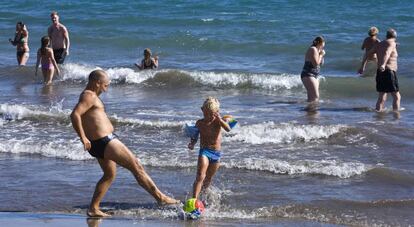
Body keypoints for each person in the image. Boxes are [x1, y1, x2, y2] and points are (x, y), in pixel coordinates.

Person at [70, 70, 178, 217]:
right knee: (137, 167)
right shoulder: (89, 95)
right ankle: (161, 198)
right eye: (105, 85)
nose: (106, 88)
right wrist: (83, 137)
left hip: (99, 143)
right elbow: (75, 114)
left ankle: (93, 208)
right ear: (97, 83)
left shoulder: (90, 95)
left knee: (109, 175)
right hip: (105, 141)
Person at [187, 97, 231, 201]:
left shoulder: (218, 122)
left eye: (211, 114)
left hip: (216, 154)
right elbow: (195, 135)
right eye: (206, 114)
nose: (208, 116)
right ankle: (194, 200)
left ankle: (203, 199)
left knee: (208, 179)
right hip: (205, 152)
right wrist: (192, 143)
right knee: (200, 176)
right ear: (202, 110)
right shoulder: (200, 123)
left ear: (217, 112)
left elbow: (228, 129)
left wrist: (220, 119)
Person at [358, 28, 401, 112]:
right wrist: (383, 64)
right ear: (395, 36)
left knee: (382, 95)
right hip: (389, 71)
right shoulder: (391, 43)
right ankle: (396, 117)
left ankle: (378, 114)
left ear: (386, 36)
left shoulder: (380, 44)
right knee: (396, 96)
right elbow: (387, 53)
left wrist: (362, 66)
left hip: (380, 72)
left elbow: (367, 53)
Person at [301, 36, 326, 102]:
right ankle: (311, 110)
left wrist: (321, 55)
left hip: (315, 75)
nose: (323, 47)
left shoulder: (317, 51)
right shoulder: (313, 49)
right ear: (319, 43)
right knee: (315, 96)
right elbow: (315, 64)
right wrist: (321, 55)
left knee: (312, 97)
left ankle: (309, 111)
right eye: (322, 45)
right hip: (308, 74)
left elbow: (321, 64)